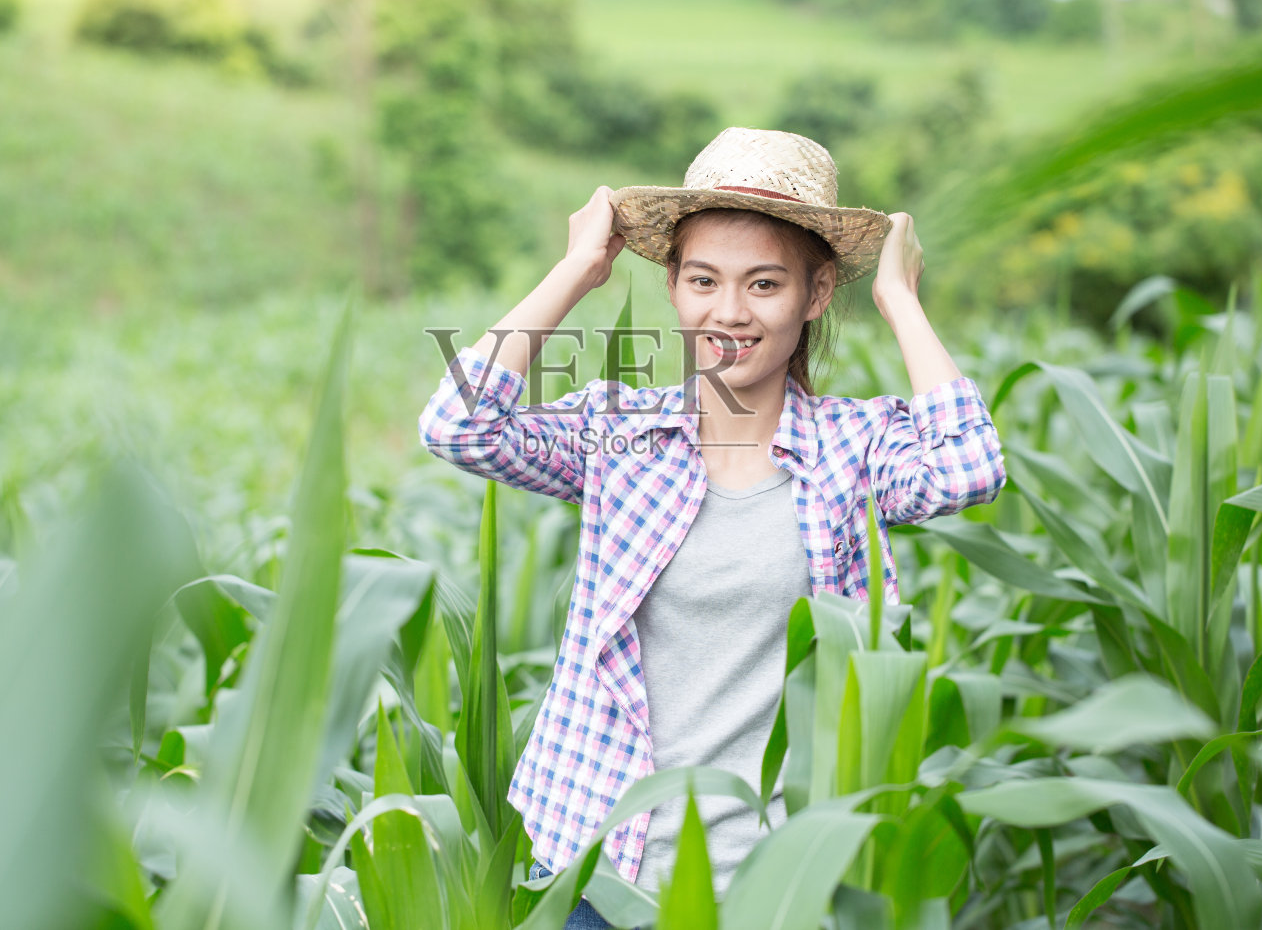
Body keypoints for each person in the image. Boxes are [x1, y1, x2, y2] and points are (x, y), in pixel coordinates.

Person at [418, 127, 1006, 927]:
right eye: (702, 279)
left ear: (818, 292)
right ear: (672, 285)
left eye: (765, 284)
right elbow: (458, 423)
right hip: (601, 876)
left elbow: (969, 465)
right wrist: (576, 270)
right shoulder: (619, 434)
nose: (728, 312)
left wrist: (900, 297)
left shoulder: (851, 447)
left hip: (781, 885)